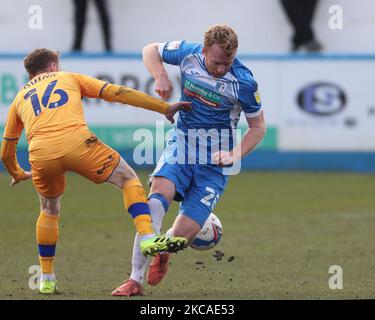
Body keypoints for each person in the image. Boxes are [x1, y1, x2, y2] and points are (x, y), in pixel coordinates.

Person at [0, 48, 192, 295]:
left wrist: (16, 173)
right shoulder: (68, 77)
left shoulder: (19, 98)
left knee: (48, 210)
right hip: (78, 143)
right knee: (128, 179)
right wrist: (162, 107)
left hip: (41, 153)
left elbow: (6, 150)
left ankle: (47, 278)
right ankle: (147, 237)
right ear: (52, 67)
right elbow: (117, 93)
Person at [111, 24, 266, 296]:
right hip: (182, 145)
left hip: (214, 165)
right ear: (204, 50)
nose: (221, 68)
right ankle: (135, 280)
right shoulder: (187, 53)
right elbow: (150, 50)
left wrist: (234, 154)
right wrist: (160, 76)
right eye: (217, 62)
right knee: (156, 201)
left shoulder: (244, 82)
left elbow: (258, 127)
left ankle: (164, 251)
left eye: (227, 63)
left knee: (181, 239)